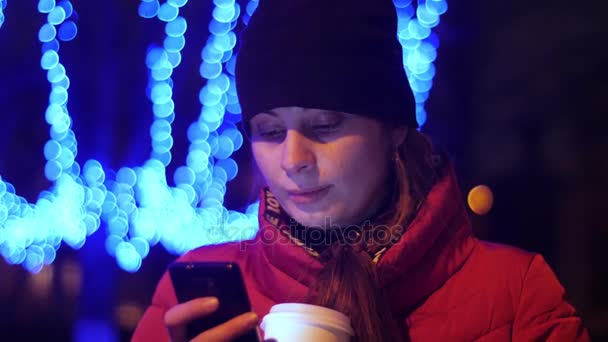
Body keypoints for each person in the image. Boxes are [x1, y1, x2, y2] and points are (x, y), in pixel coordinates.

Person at [133, 0, 590, 341]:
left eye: (325, 125)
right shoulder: (196, 291)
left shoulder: (515, 295)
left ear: (393, 128)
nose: (294, 159)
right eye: (270, 132)